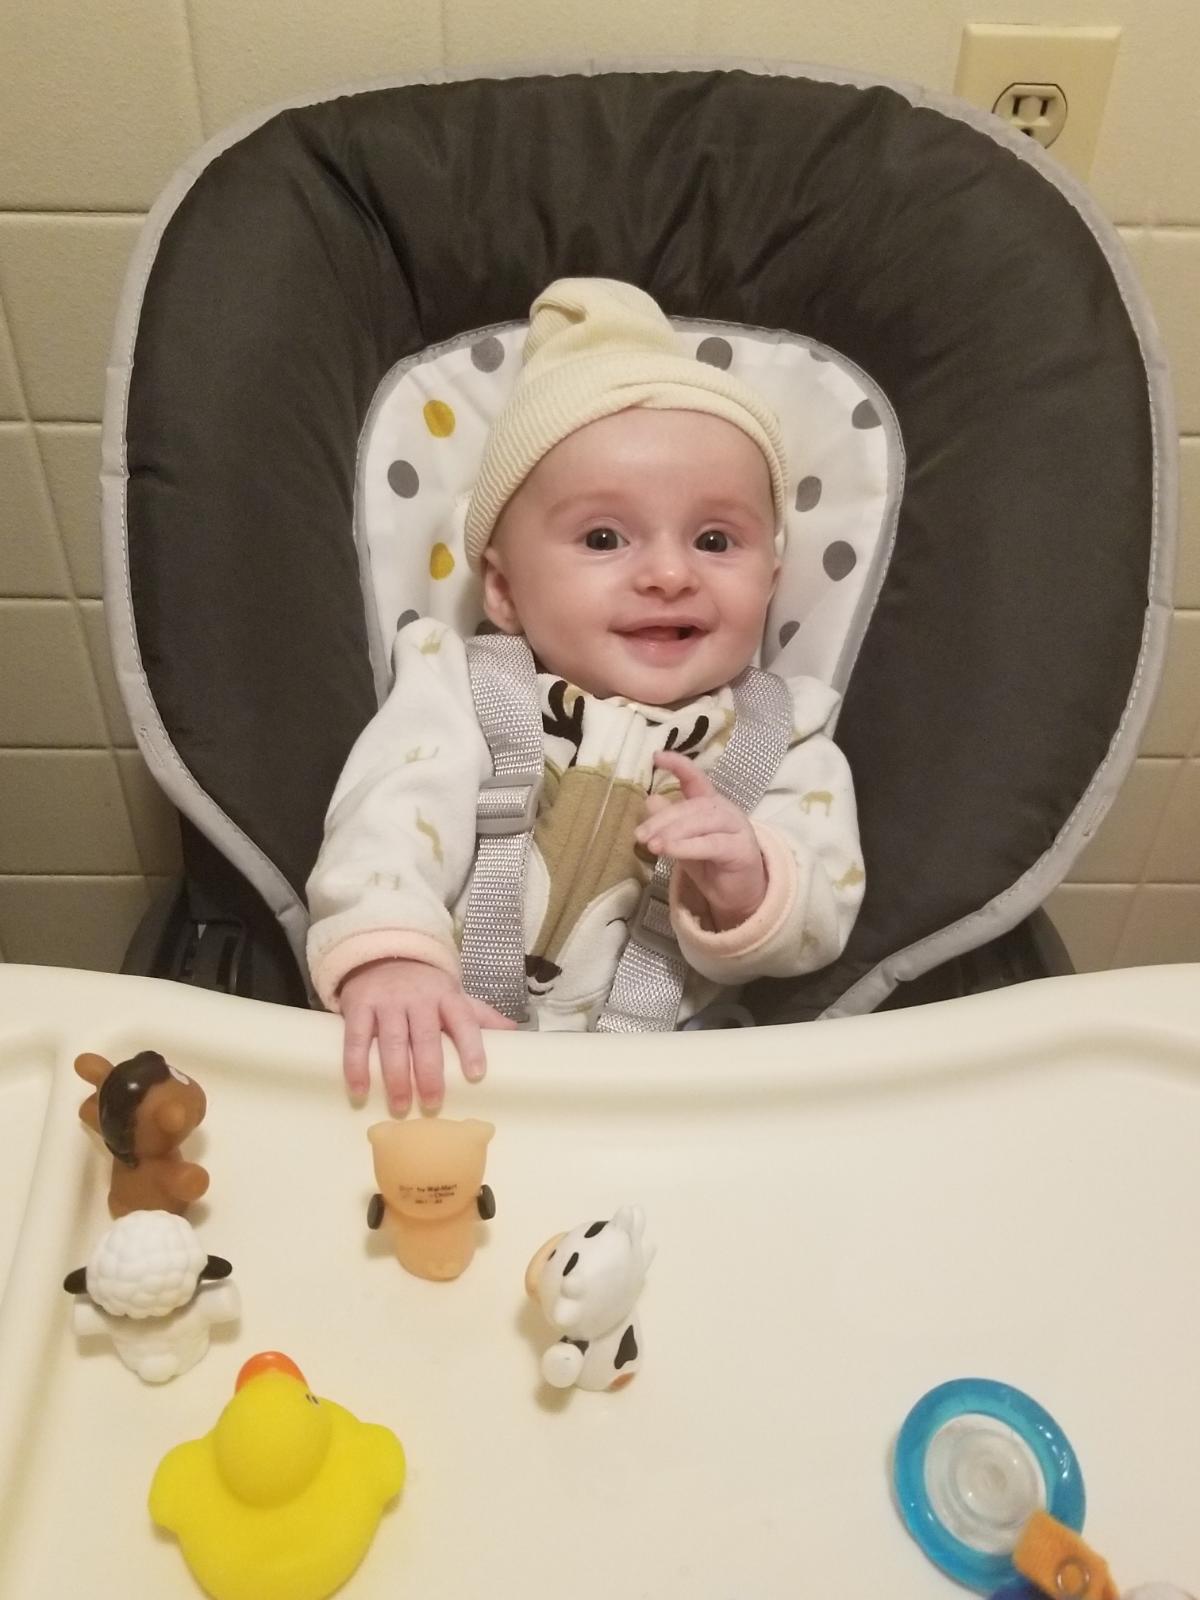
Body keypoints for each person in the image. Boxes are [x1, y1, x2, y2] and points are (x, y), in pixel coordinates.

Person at [306, 278, 865, 1113]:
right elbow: (389, 818)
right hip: (454, 1065)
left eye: (716, 540)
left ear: (773, 579)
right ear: (503, 591)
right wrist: (393, 960)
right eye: (604, 537)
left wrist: (750, 877)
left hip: (679, 1097)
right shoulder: (462, 689)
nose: (670, 573)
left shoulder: (785, 738)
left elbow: (823, 917)